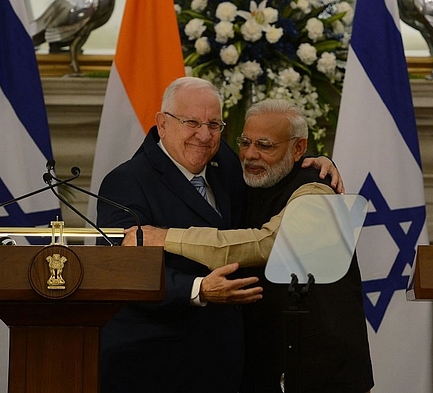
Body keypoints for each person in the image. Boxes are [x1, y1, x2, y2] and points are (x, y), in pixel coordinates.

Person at [97, 78, 342, 393]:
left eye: (214, 124)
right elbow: (121, 270)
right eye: (192, 123)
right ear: (162, 124)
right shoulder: (125, 182)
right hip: (155, 363)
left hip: (228, 362)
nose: (204, 135)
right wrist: (198, 289)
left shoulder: (223, 163)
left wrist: (317, 167)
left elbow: (273, 165)